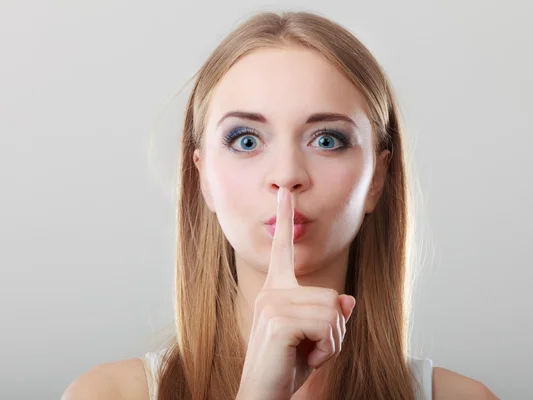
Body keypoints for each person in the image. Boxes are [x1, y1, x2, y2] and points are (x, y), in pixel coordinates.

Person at [63, 10, 498, 400]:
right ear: (203, 178)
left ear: (377, 178)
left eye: (327, 140)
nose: (287, 174)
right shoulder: (108, 394)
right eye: (246, 141)